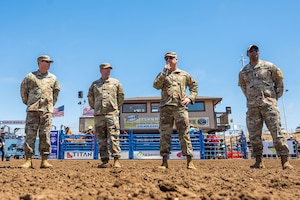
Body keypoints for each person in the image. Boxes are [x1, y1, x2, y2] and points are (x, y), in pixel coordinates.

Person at [238, 45, 293, 170]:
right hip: (253, 107)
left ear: (259, 52)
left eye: (256, 50)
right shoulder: (243, 72)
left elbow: (279, 81)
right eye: (251, 51)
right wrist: (251, 98)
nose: (254, 52)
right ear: (247, 54)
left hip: (269, 106)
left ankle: (285, 161)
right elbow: (243, 87)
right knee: (254, 135)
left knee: (276, 132)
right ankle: (259, 161)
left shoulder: (269, 66)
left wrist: (274, 97)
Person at [153, 51, 198, 169]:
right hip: (165, 108)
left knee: (184, 134)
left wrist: (190, 97)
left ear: (176, 59)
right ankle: (164, 161)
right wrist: (163, 72)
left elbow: (194, 86)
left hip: (180, 108)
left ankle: (189, 161)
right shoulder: (163, 74)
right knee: (164, 134)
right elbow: (156, 85)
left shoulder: (184, 74)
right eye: (166, 58)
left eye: (171, 58)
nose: (168, 60)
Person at [20, 55, 60, 168]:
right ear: (39, 62)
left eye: (49, 62)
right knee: (30, 135)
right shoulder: (30, 76)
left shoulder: (53, 78)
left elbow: (56, 93)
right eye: (46, 62)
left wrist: (50, 105)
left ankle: (44, 160)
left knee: (45, 135)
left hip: (46, 111)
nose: (48, 64)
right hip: (33, 110)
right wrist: (29, 103)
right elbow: (23, 91)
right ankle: (28, 160)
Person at [87, 63, 124, 168]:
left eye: (109, 69)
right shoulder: (95, 84)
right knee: (101, 139)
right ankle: (104, 160)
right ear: (101, 70)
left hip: (111, 114)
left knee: (114, 137)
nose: (108, 71)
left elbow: (121, 97)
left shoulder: (116, 83)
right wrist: (96, 107)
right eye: (106, 69)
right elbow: (90, 98)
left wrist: (114, 107)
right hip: (99, 115)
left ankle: (116, 159)